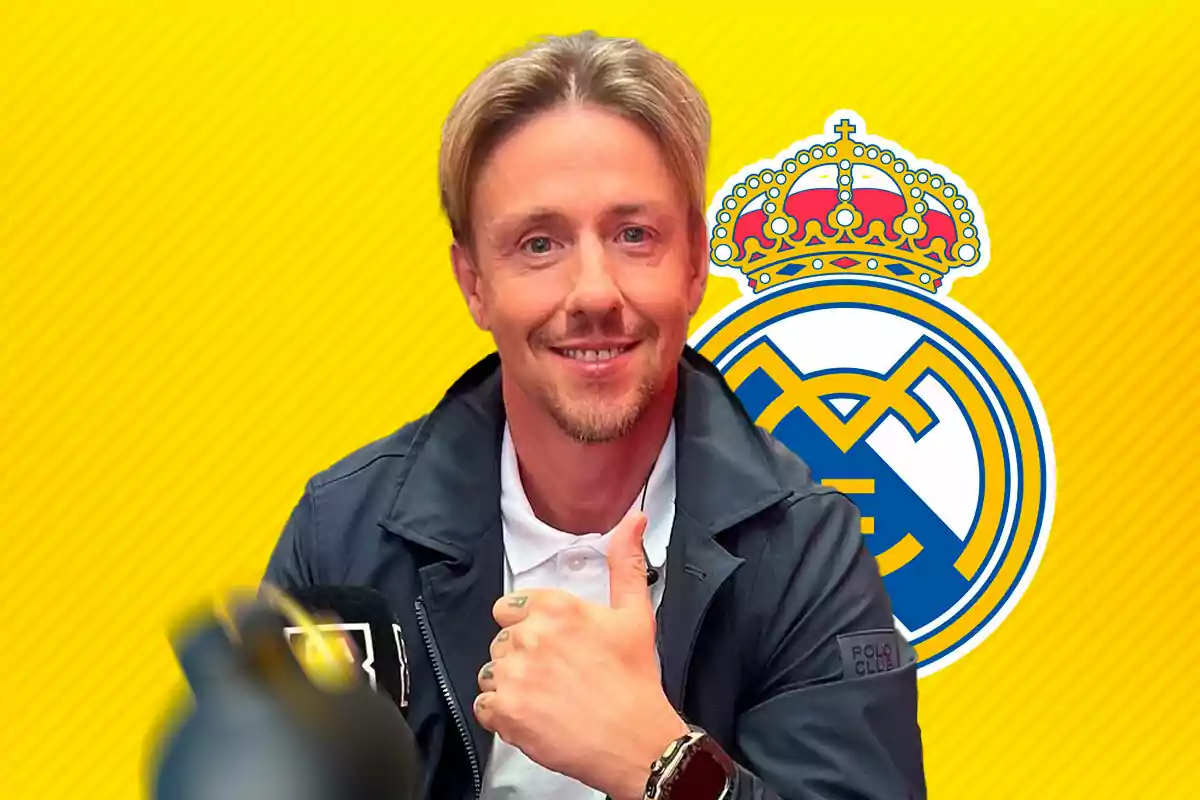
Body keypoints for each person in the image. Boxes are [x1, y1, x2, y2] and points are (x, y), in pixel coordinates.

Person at [262, 31, 926, 800]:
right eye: (539, 244)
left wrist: (665, 768)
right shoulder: (345, 534)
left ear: (695, 262)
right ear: (473, 282)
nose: (593, 293)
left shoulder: (803, 549)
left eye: (633, 235)